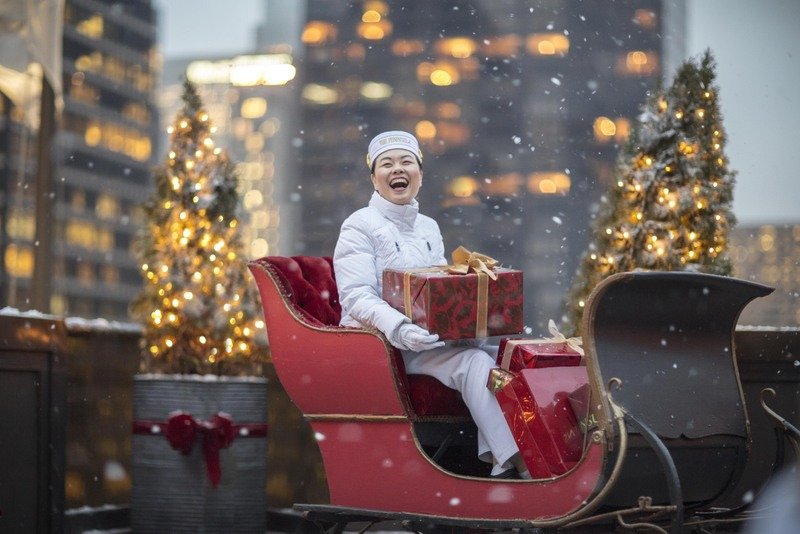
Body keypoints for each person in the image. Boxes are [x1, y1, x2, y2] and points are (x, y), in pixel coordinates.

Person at [333, 130, 530, 479]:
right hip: (379, 347)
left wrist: (472, 326)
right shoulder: (358, 225)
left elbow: (439, 291)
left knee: (499, 354)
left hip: (425, 342)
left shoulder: (428, 227)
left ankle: (501, 460)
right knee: (471, 364)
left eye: (407, 161)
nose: (398, 169)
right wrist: (400, 329)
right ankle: (517, 463)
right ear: (374, 178)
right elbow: (356, 297)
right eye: (387, 164)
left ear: (420, 175)